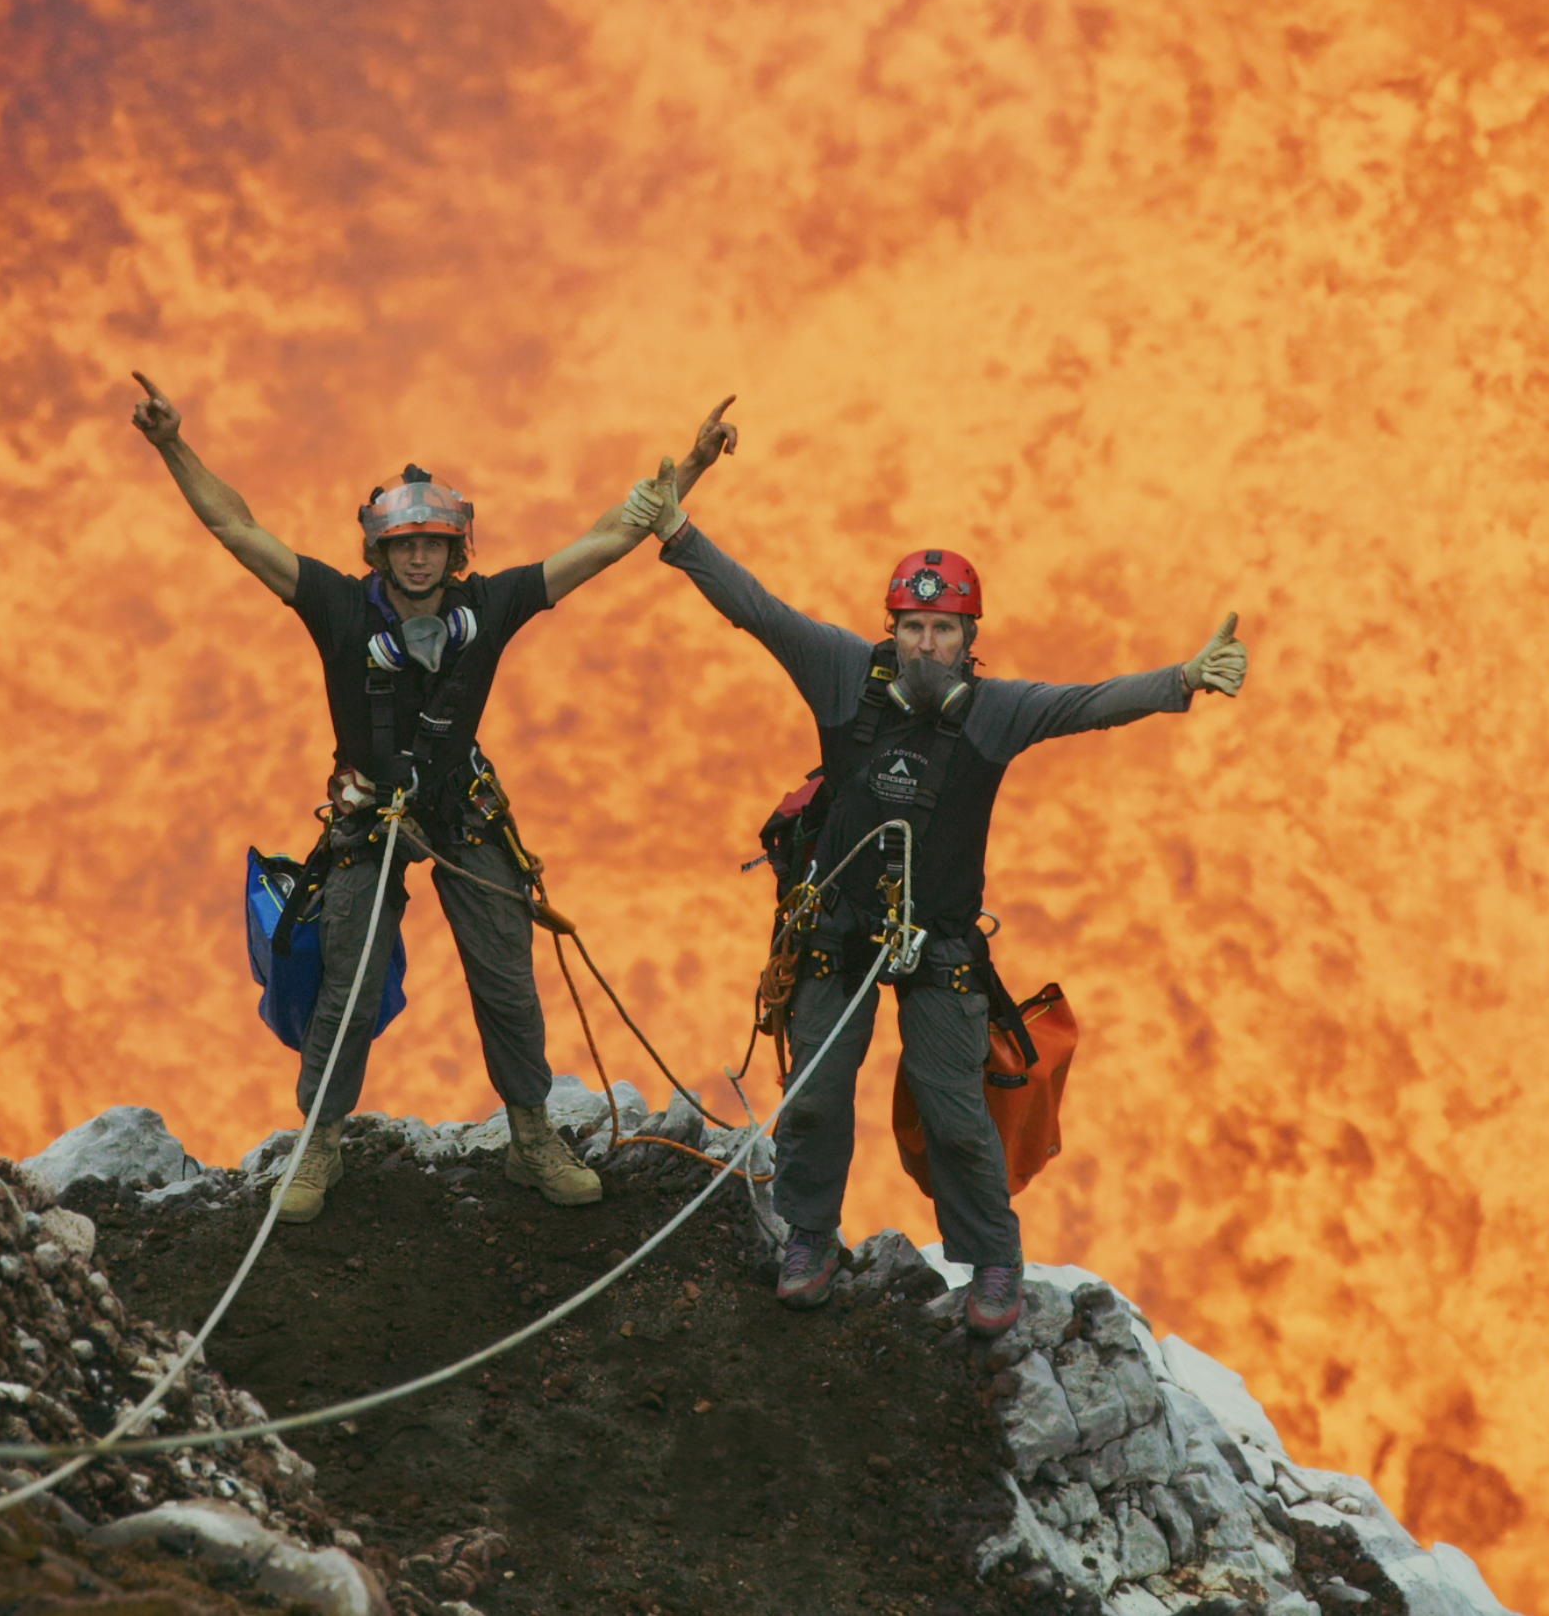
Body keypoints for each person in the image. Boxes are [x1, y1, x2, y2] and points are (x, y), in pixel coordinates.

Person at [623, 417, 1246, 1337]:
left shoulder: (995, 714)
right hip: (835, 936)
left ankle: (993, 1258)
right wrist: (677, 536)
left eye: (941, 630)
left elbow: (1087, 704)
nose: (923, 646)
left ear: (968, 638)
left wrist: (1182, 679)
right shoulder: (843, 675)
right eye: (910, 627)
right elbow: (757, 611)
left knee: (957, 1112)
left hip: (939, 947)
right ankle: (809, 1238)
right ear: (892, 628)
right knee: (817, 1100)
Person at [132, 372, 713, 1222]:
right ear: (379, 551)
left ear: (455, 550)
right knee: (348, 982)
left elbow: (605, 540)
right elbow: (235, 526)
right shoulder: (335, 605)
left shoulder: (492, 605)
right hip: (369, 820)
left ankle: (530, 1136)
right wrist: (171, 444)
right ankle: (319, 1143)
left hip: (461, 810)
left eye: (433, 544)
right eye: (403, 545)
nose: (417, 557)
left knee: (507, 981)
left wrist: (690, 468)